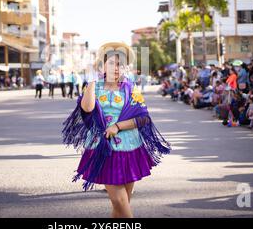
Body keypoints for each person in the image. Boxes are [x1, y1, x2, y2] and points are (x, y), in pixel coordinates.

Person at [62, 42, 171, 218]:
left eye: (120, 64)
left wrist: (118, 126)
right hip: (103, 148)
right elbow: (87, 109)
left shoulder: (130, 88)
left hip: (131, 148)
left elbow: (143, 118)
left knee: (123, 202)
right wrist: (91, 81)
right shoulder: (94, 87)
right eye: (111, 63)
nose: (116, 68)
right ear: (102, 65)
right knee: (119, 201)